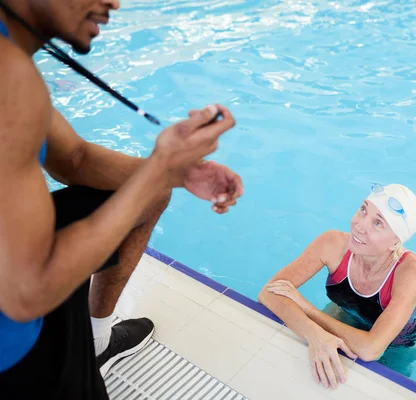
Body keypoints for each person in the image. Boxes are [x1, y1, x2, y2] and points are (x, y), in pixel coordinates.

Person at [0, 0, 243, 398]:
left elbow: (75, 159)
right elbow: (26, 293)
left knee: (148, 194)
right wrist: (157, 167)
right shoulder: (8, 78)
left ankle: (96, 341)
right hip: (11, 348)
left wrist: (177, 172)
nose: (114, 2)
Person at [258, 183, 416, 389]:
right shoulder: (332, 243)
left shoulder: (411, 272)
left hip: (401, 342)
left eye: (378, 223)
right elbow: (268, 293)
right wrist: (314, 333)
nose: (359, 225)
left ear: (395, 242)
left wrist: (307, 309)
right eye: (364, 209)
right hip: (347, 314)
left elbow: (371, 349)